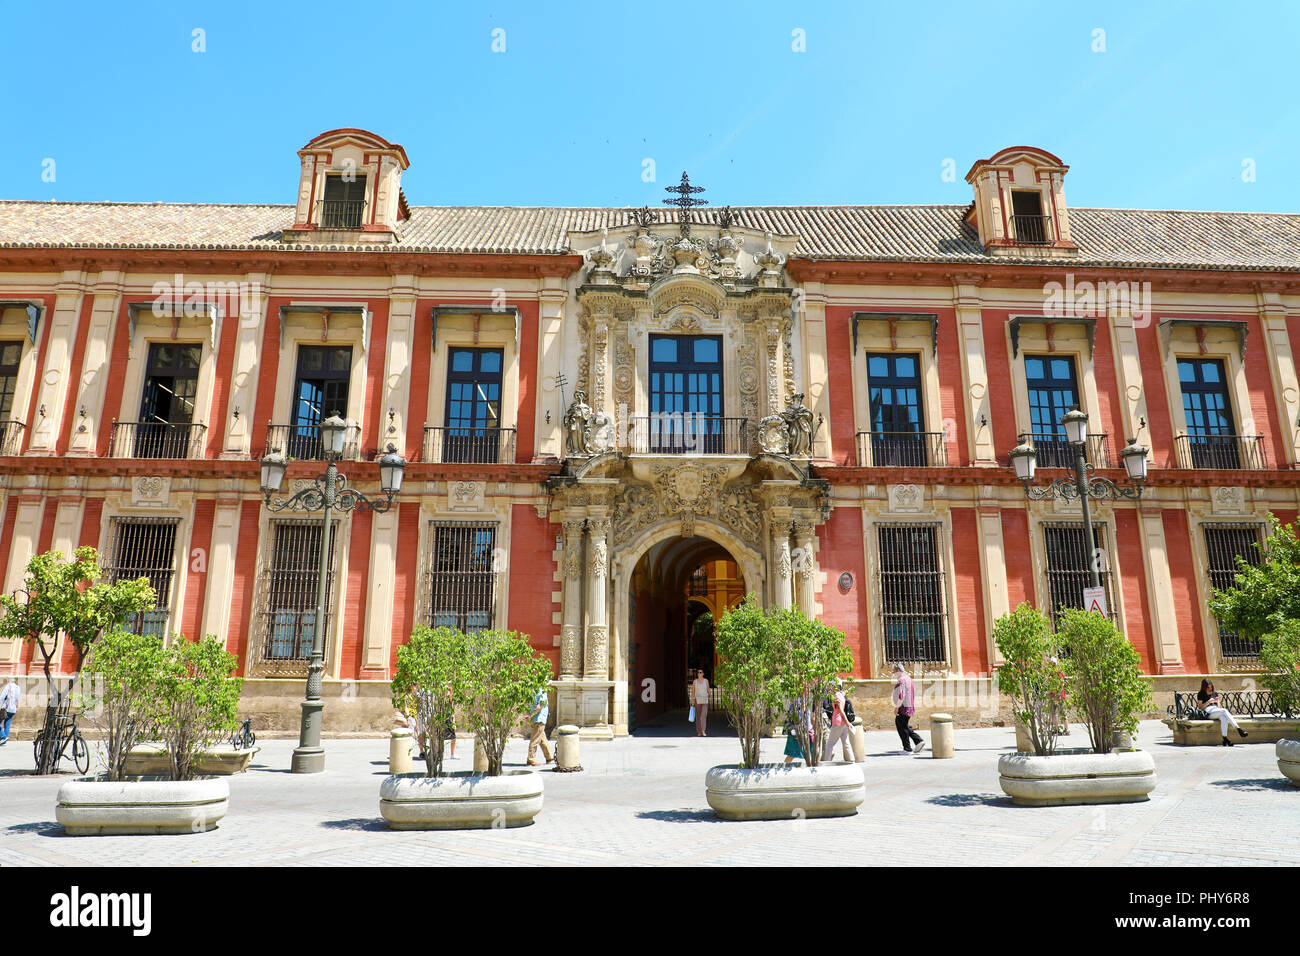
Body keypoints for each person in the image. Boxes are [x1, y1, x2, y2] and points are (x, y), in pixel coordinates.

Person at [1199, 679, 1248, 746]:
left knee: (1223, 717)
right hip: (1208, 712)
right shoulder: (1201, 694)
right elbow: (1200, 707)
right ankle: (1239, 729)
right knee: (1224, 710)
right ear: (1204, 687)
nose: (1210, 689)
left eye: (1211, 687)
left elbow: (1219, 706)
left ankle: (1225, 738)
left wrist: (1216, 702)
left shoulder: (1214, 693)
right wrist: (1208, 702)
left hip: (1216, 710)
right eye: (1208, 687)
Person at [892, 664, 926, 755]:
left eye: (894, 671)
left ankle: (907, 749)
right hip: (909, 706)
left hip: (903, 707)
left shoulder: (901, 680)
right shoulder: (909, 679)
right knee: (904, 726)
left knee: (901, 726)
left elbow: (901, 695)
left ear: (898, 670)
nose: (893, 673)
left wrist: (896, 708)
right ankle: (918, 741)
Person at [821, 679, 854, 762]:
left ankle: (827, 761)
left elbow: (841, 710)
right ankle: (852, 759)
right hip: (843, 722)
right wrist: (846, 722)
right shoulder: (842, 695)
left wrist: (847, 722)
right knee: (846, 742)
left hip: (838, 721)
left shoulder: (836, 696)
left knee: (830, 744)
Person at [527, 687, 553, 766]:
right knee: (535, 740)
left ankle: (549, 757)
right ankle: (531, 759)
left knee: (542, 739)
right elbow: (539, 706)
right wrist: (531, 715)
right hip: (539, 719)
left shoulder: (533, 690)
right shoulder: (542, 691)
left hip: (535, 719)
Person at [783, 697, 811, 764]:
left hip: (806, 731)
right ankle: (784, 767)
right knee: (792, 754)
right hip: (797, 732)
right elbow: (796, 717)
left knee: (810, 751)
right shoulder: (797, 701)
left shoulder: (804, 700)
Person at [692, 669, 711, 737]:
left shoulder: (706, 681)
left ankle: (703, 731)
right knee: (698, 716)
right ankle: (699, 731)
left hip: (705, 700)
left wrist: (710, 695)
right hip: (697, 700)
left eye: (701, 672)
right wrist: (692, 700)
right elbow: (693, 691)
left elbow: (708, 689)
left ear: (703, 674)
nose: (699, 673)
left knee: (703, 716)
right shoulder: (695, 681)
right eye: (698, 672)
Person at [0, 674, 18, 745]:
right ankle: (6, 737)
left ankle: (3, 736)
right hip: (13, 708)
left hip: (6, 708)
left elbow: (2, 697)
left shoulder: (8, 686)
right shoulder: (18, 688)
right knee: (7, 723)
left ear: (9, 681)